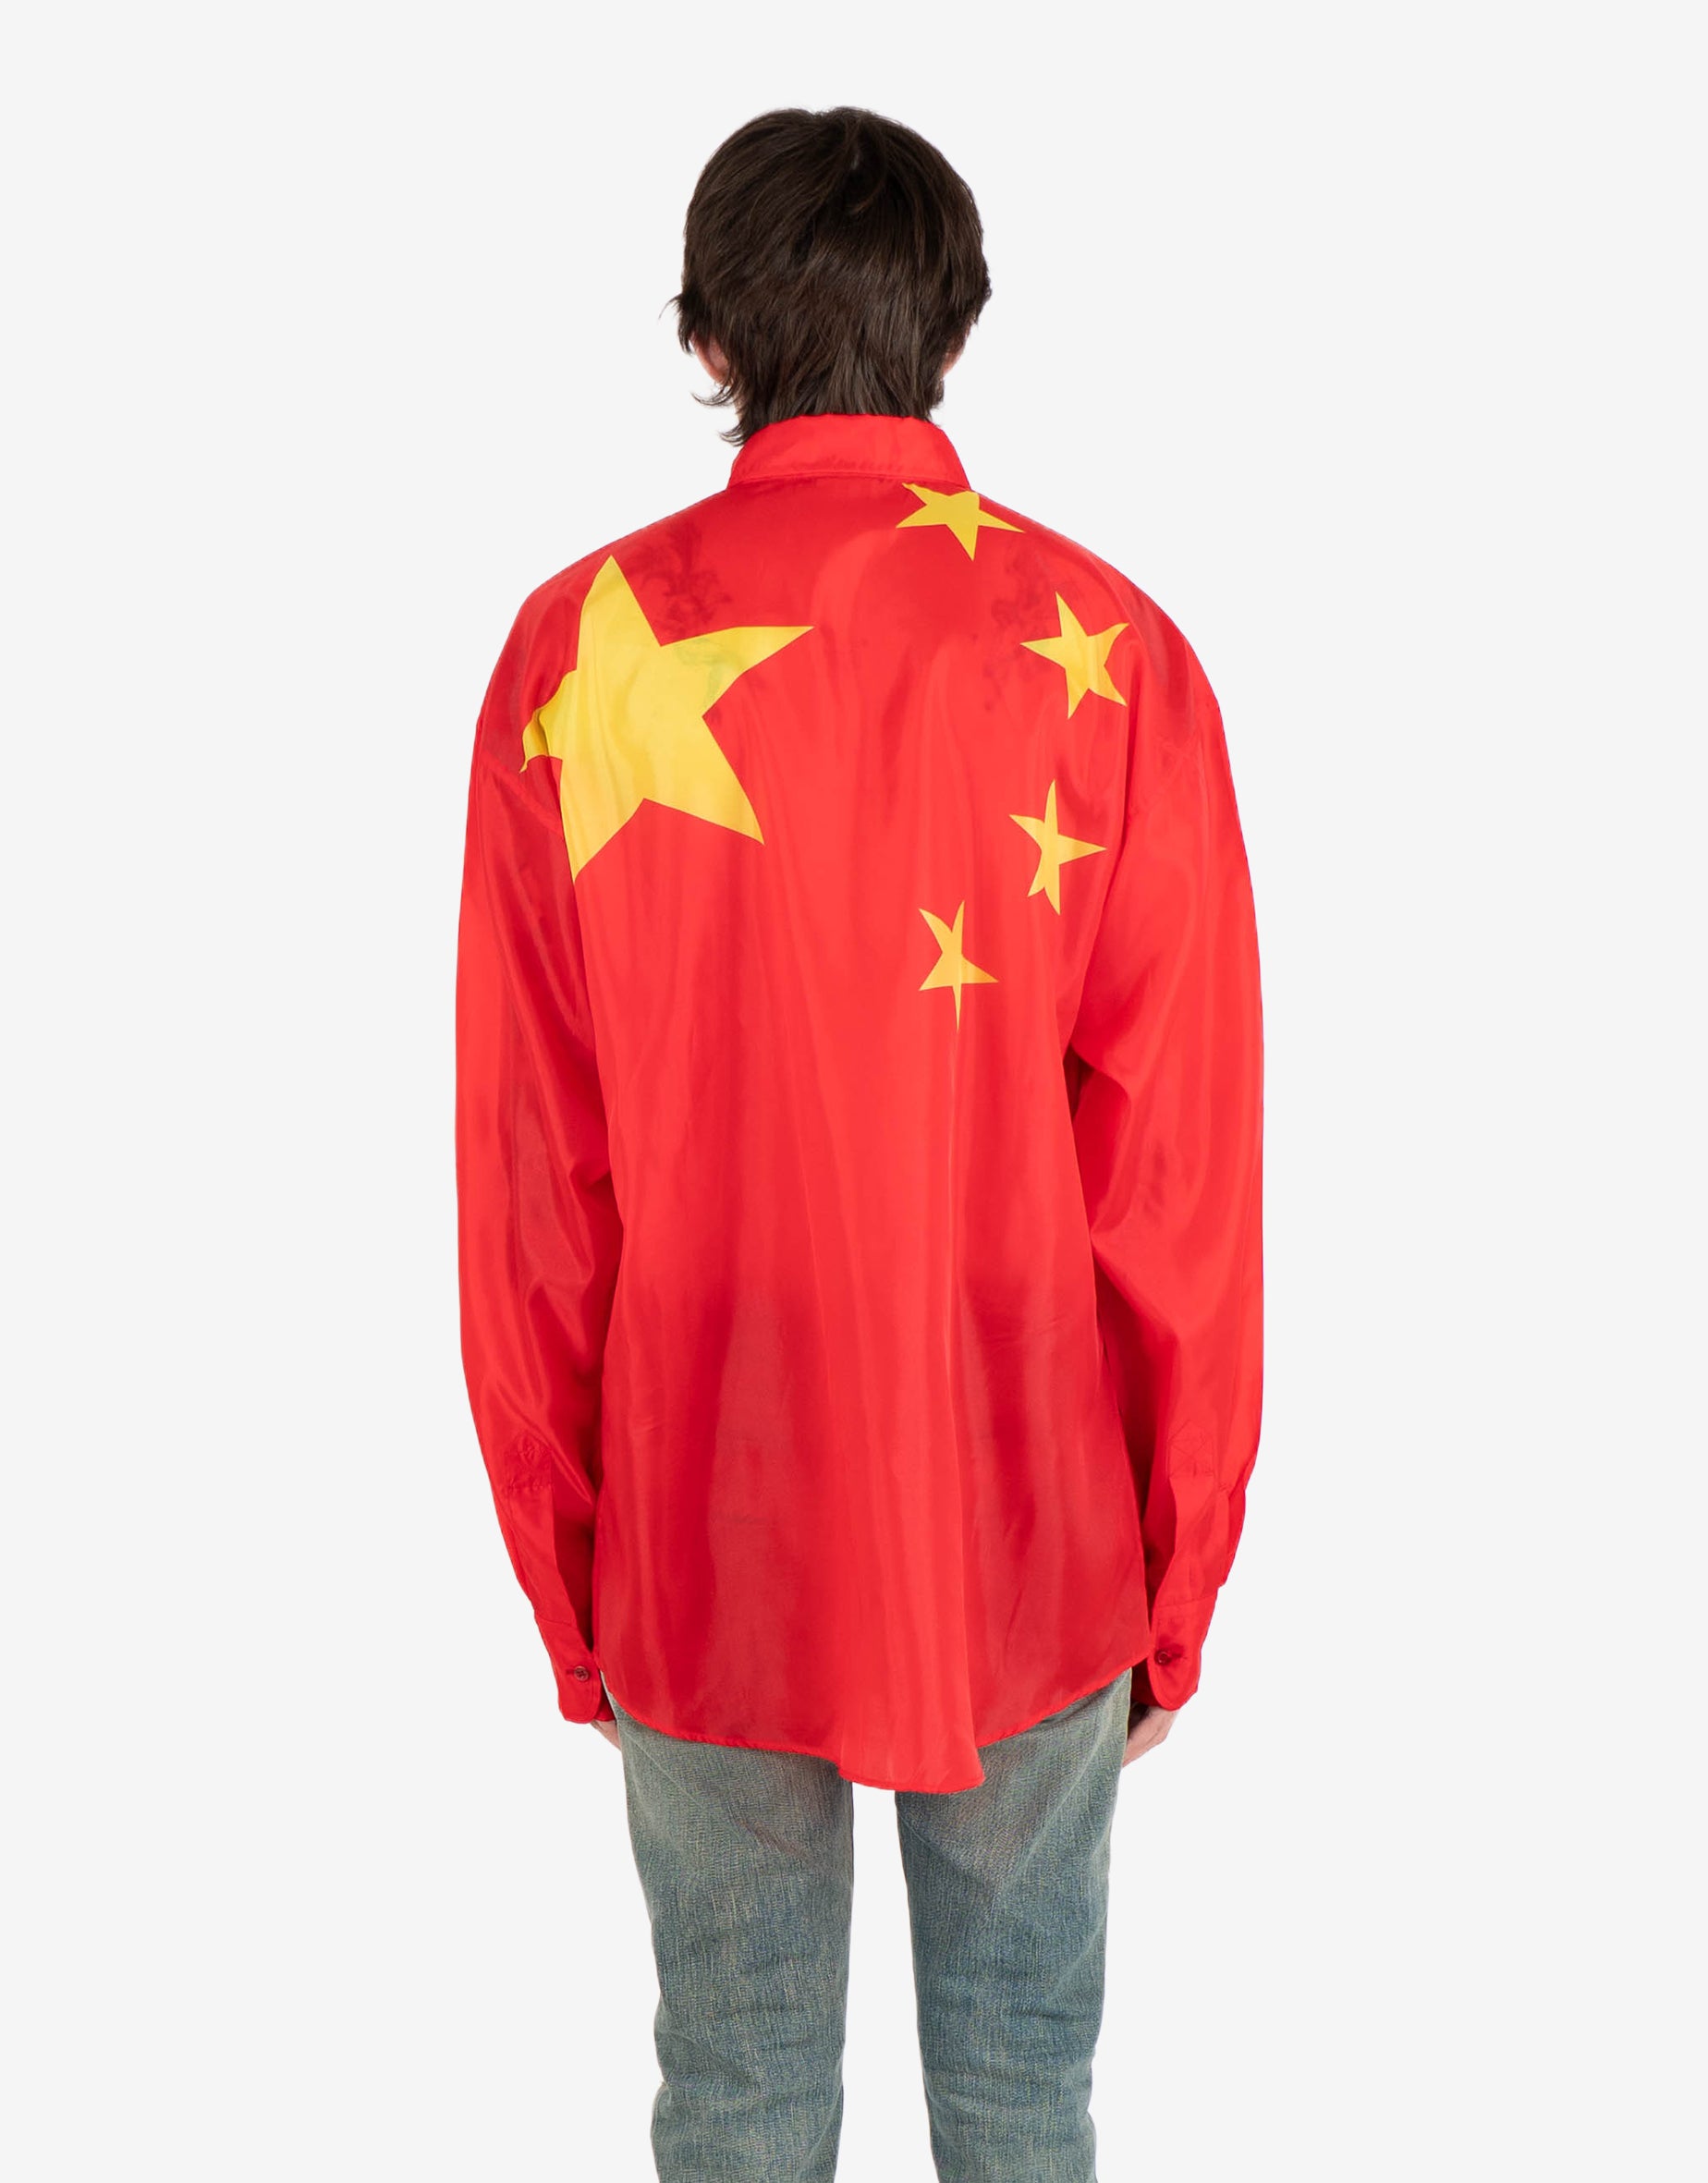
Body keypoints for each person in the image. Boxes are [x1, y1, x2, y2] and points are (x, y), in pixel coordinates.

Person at [456, 104, 1263, 2183]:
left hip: (700, 1512)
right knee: (1022, 2095)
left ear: (708, 339)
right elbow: (1177, 1174)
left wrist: (572, 1561)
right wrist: (1174, 1567)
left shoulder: (572, 656)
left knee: (733, 2097)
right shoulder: (1111, 654)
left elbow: (535, 1169)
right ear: (954, 327)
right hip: (1029, 1514)